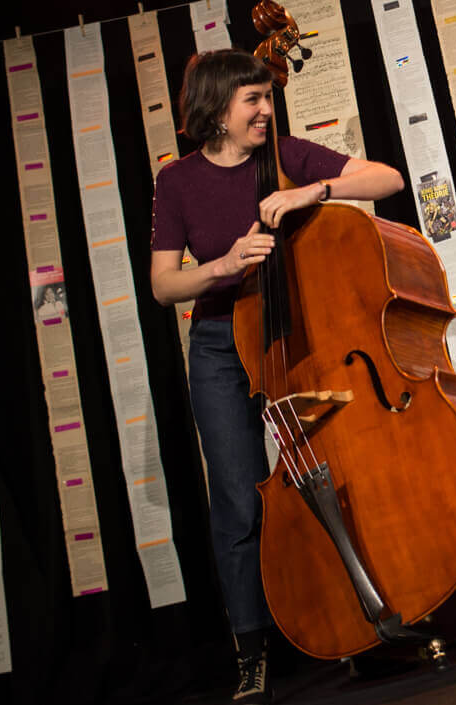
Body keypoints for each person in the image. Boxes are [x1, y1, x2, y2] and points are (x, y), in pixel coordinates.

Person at [149, 49, 404, 703]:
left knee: (339, 467)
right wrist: (224, 263)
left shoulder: (287, 154)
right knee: (238, 497)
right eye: (252, 100)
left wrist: (309, 189)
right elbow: (162, 283)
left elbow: (388, 180)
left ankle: (370, 609)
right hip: (217, 345)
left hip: (299, 337)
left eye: (268, 96)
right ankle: (252, 655)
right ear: (216, 107)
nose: (267, 109)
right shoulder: (177, 180)